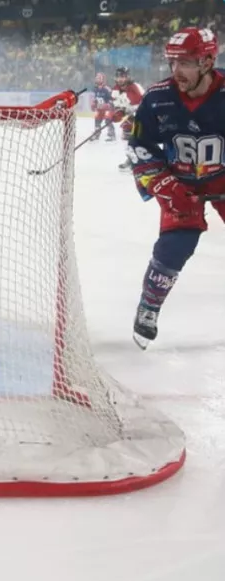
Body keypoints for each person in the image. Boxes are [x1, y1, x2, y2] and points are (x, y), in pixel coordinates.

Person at [126, 27, 225, 349]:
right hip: (180, 184)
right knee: (173, 249)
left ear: (208, 61)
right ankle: (148, 307)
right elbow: (139, 144)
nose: (176, 71)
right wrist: (161, 181)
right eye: (172, 62)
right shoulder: (157, 98)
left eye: (185, 63)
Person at [113, 67, 146, 171]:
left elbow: (145, 101)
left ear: (127, 77)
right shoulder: (115, 89)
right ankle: (131, 160)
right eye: (118, 77)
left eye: (122, 76)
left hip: (141, 117)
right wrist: (118, 113)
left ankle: (141, 162)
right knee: (128, 141)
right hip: (129, 118)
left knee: (139, 140)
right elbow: (118, 105)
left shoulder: (135, 87)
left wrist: (136, 110)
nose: (120, 79)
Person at [90, 72, 117, 142]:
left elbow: (113, 99)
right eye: (97, 77)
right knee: (97, 119)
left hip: (108, 109)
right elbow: (95, 99)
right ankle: (97, 133)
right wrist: (93, 104)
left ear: (103, 80)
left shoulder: (107, 89)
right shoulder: (95, 89)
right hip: (100, 109)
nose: (97, 79)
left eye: (99, 78)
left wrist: (108, 104)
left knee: (107, 119)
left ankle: (112, 134)